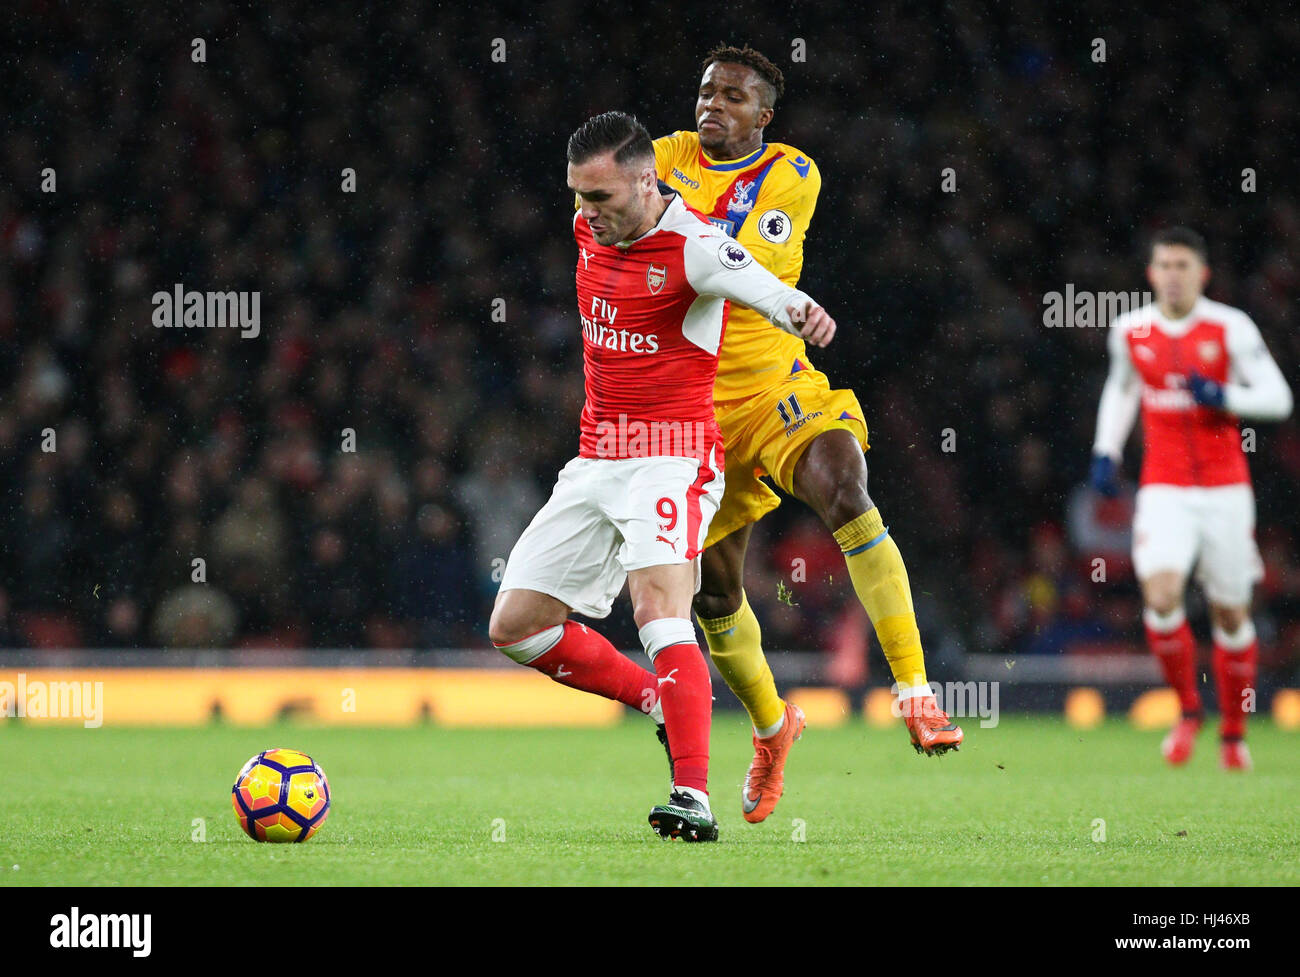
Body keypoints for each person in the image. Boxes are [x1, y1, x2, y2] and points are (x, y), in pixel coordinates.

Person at [488, 111, 837, 840]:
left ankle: (693, 796)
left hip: (673, 456)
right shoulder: (593, 224)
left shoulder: (696, 245)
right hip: (595, 457)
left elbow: (763, 288)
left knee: (657, 610)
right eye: (578, 197)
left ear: (648, 182)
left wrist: (801, 311)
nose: (586, 215)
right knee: (515, 627)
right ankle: (662, 699)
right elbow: (597, 213)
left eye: (602, 199)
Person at [653, 44, 962, 824]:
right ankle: (772, 728)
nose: (713, 105)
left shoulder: (793, 173)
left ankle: (915, 690)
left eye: (733, 97)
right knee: (714, 598)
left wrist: (648, 215)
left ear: (764, 116)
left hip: (778, 390)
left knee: (845, 486)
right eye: (705, 91)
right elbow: (605, 207)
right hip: (693, 414)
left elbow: (726, 258)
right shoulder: (659, 155)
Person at [1091, 226, 1293, 769]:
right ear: (1151, 273)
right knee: (1159, 599)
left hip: (1226, 491)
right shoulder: (1131, 330)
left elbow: (1278, 398)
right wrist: (1106, 450)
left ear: (1202, 273)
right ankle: (1187, 712)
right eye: (1165, 265)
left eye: (1184, 265)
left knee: (1231, 615)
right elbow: (1123, 387)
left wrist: (1224, 394)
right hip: (1164, 489)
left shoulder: (1230, 327)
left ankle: (1233, 734)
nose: (1173, 275)